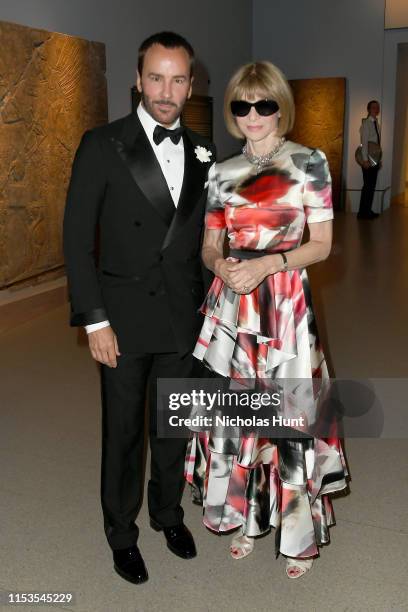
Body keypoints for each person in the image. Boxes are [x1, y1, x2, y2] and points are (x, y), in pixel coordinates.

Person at [185, 61, 349, 579]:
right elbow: (209, 243)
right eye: (241, 105)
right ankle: (247, 519)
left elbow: (321, 245)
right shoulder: (221, 171)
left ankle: (297, 533)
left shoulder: (309, 162)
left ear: (281, 106)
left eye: (264, 104)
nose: (253, 115)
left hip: (284, 305)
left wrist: (267, 263)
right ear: (232, 111)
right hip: (235, 302)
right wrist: (223, 265)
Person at [63, 31, 215, 585]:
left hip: (184, 319)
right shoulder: (103, 144)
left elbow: (205, 242)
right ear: (137, 80)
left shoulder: (205, 151)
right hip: (122, 321)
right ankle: (120, 533)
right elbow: (77, 241)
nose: (166, 90)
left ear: (192, 84)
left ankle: (168, 515)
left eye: (178, 79)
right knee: (123, 434)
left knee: (173, 427)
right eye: (156, 77)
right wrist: (94, 321)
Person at [357, 100, 381, 220]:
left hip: (374, 160)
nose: (376, 109)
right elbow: (364, 143)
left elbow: (376, 144)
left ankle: (367, 211)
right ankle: (362, 213)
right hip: (368, 161)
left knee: (371, 186)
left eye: (378, 107)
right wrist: (365, 160)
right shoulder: (366, 124)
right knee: (367, 186)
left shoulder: (376, 123)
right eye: (374, 107)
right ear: (369, 109)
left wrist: (378, 160)